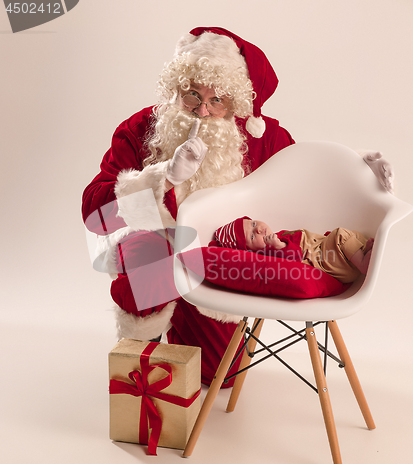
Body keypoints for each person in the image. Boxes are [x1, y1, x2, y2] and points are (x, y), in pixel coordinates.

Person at [82, 27, 393, 387]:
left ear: (238, 101)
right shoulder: (141, 128)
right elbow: (95, 213)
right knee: (149, 249)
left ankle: (189, 331)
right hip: (154, 255)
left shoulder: (265, 137)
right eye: (192, 95)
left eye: (218, 100)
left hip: (221, 266)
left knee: (219, 376)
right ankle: (144, 346)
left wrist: (357, 170)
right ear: (177, 88)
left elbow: (307, 177)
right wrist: (161, 176)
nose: (202, 110)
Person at [214, 216, 374, 284]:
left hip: (331, 256)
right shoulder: (268, 252)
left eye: (254, 224)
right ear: (249, 251)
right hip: (325, 263)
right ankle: (361, 263)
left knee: (353, 235)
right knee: (340, 234)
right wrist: (279, 246)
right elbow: (294, 259)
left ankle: (360, 253)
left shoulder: (277, 236)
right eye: (251, 237)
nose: (258, 230)